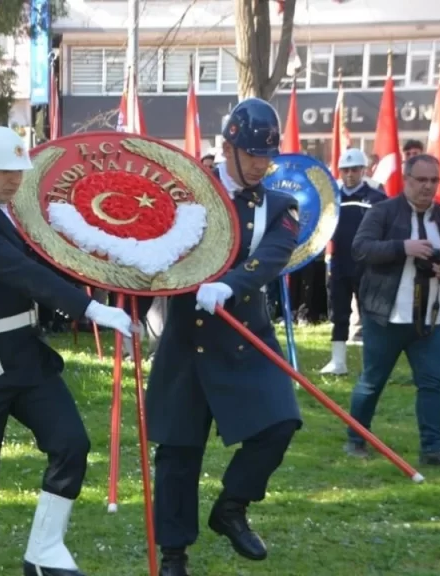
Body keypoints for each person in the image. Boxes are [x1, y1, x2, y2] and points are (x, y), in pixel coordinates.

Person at [0, 126, 134, 576]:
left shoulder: (11, 213)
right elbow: (22, 272)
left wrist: (109, 260)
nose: (13, 179)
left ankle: (44, 551)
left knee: (71, 443)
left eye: (18, 170)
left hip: (25, 357)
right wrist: (89, 308)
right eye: (2, 171)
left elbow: (50, 261)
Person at [145, 99, 301, 576]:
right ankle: (174, 554)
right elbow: (152, 240)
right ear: (228, 146)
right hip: (186, 342)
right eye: (251, 154)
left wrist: (231, 283)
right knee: (178, 453)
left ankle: (232, 506)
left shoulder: (280, 205)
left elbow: (273, 255)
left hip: (245, 335)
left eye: (266, 157)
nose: (259, 165)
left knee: (279, 423)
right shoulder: (187, 193)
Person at [347, 154, 440, 468]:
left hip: (430, 320)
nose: (428, 187)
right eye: (421, 180)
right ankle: (356, 439)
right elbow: (361, 248)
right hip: (386, 317)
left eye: (433, 180)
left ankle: (433, 449)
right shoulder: (383, 212)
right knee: (372, 381)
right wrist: (403, 247)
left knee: (432, 384)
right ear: (407, 180)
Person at [321, 148, 387, 375]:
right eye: (345, 170)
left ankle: (373, 364)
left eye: (355, 169)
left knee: (369, 314)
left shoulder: (377, 198)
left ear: (363, 170)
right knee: (338, 313)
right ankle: (338, 362)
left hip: (367, 265)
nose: (350, 174)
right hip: (339, 263)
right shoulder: (332, 197)